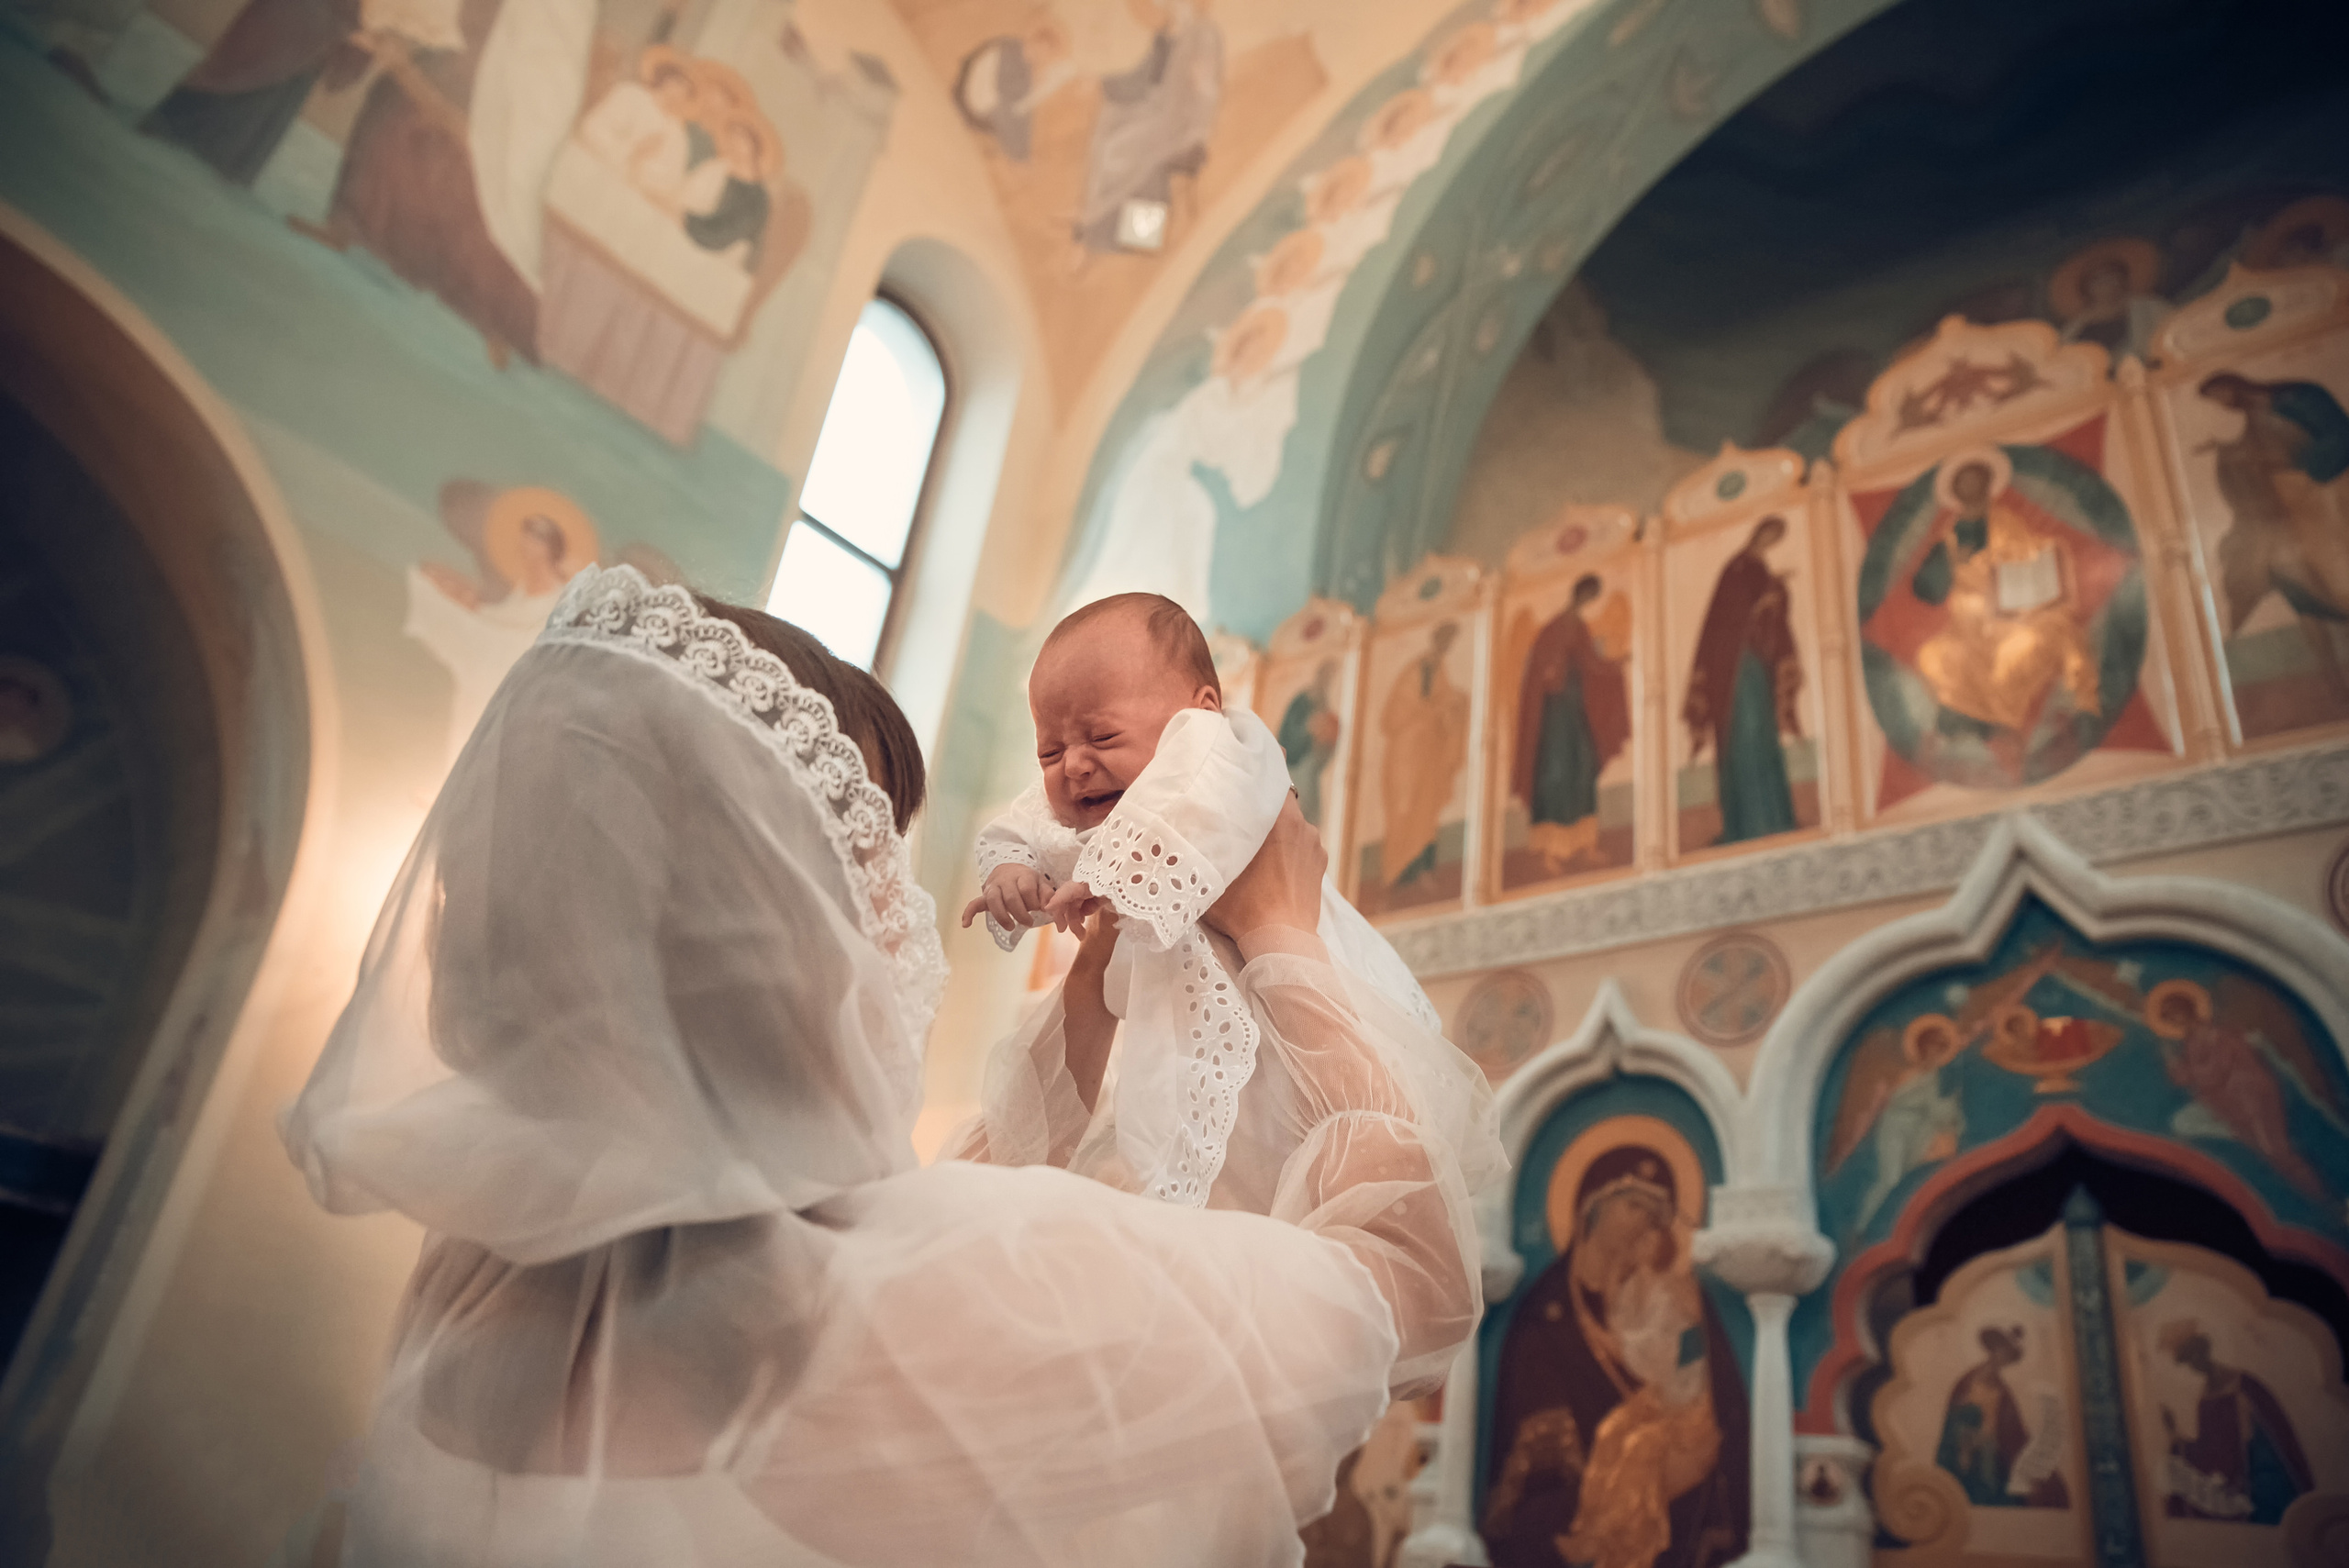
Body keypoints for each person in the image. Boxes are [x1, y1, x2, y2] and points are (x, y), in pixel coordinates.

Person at [286, 565, 1481, 1565]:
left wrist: (1085, 1014)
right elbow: (1407, 1288)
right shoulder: (906, 1298)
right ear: (763, 916)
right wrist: (1278, 924)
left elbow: (969, 1194)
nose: (887, 913)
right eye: (857, 862)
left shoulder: (474, 1295)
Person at [956, 595, 1497, 1268]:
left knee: (1293, 1140)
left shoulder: (1228, 751)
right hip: (1179, 1022)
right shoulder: (1090, 803)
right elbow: (1023, 823)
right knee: (1193, 1152)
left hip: (1282, 987)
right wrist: (1011, 867)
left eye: (1101, 737)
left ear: (1200, 711)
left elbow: (1195, 811)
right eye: (1049, 748)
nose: (1072, 765)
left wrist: (1110, 874)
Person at [2198, 373, 2349, 694]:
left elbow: (2339, 435)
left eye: (2220, 394)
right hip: (2294, 498)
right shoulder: (2252, 419)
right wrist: (2227, 452)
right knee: (2281, 569)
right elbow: (2260, 454)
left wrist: (2304, 464)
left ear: (2233, 383)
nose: (2224, 403)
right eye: (2217, 401)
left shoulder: (2298, 396)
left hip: (2331, 489)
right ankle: (2332, 678)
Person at [1683, 518, 1802, 846]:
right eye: (1768, 535)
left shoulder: (1758, 567)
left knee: (1761, 736)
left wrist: (1776, 593)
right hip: (1734, 668)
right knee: (1744, 735)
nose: (1770, 542)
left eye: (1776, 538)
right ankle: (1748, 822)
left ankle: (1773, 817)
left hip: (1755, 663)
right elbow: (1727, 617)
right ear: (1757, 532)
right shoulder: (1736, 567)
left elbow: (1768, 614)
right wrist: (1762, 602)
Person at [1514, 577, 1630, 874]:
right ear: (1580, 595)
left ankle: (1585, 844)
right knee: (1555, 774)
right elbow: (1541, 669)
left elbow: (1589, 661)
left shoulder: (1576, 627)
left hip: (1574, 711)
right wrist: (1551, 676)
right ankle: (1551, 850)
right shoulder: (1555, 629)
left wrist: (1611, 665)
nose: (1589, 601)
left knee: (1582, 769)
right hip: (1554, 716)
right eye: (1589, 596)